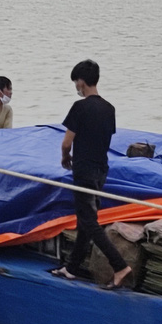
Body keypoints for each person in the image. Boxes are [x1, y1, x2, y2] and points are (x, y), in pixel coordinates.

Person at [54, 59, 131, 288]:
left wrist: (65, 158)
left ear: (81, 82)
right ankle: (71, 267)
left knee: (89, 221)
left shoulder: (80, 107)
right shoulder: (109, 109)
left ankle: (120, 266)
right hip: (101, 170)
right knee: (85, 219)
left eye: (76, 82)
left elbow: (67, 142)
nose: (76, 87)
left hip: (84, 170)